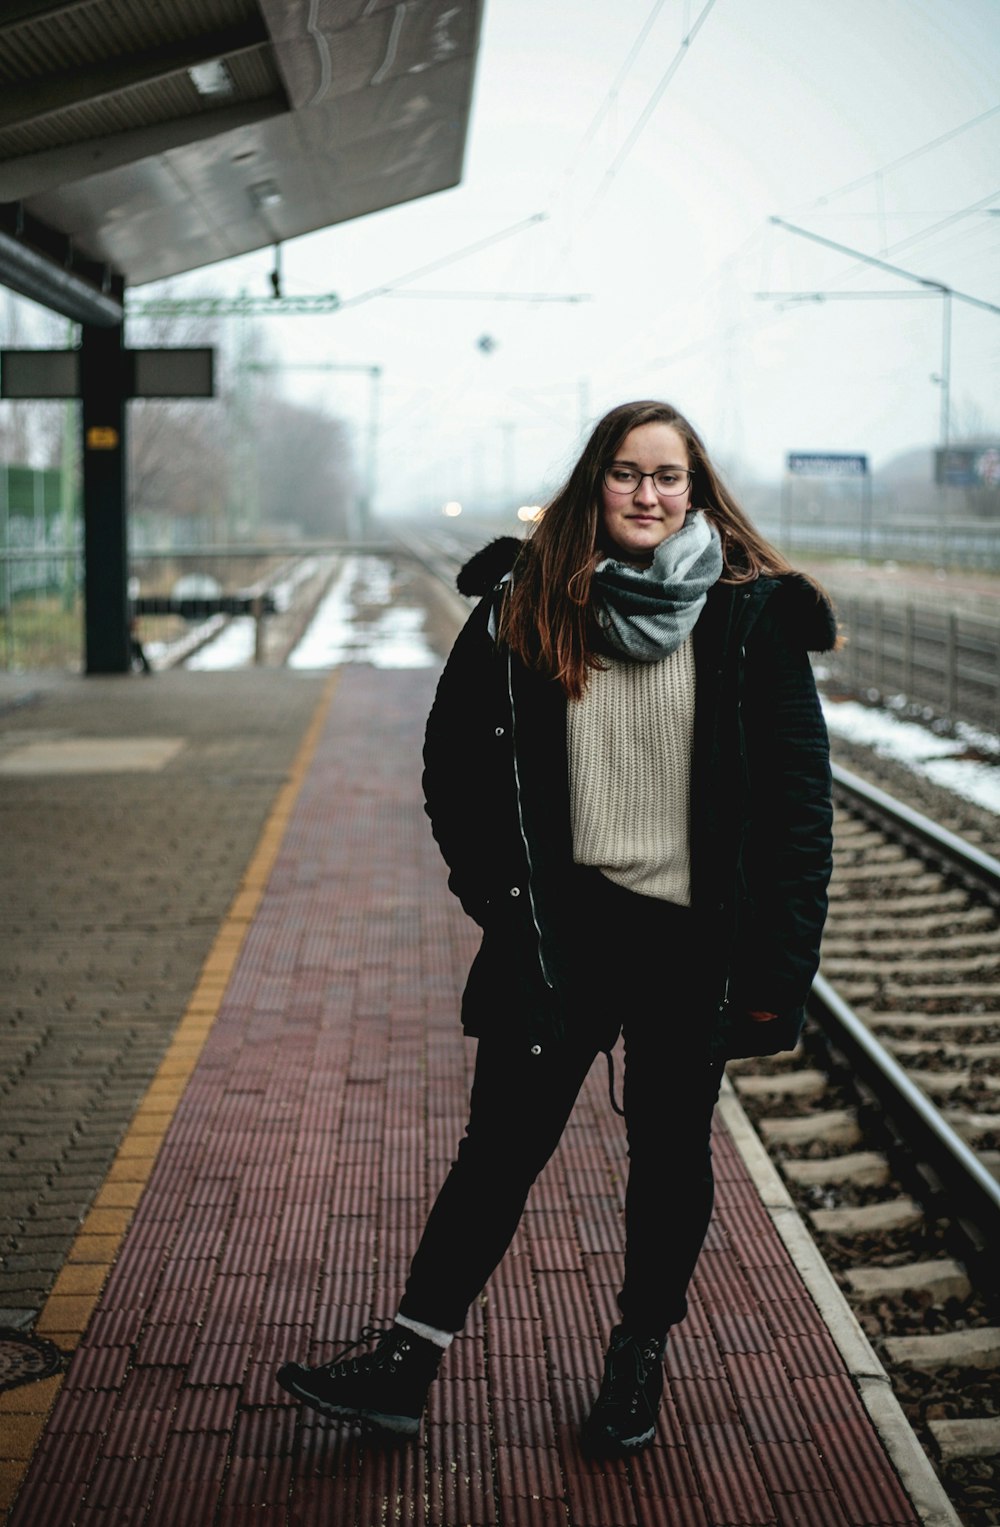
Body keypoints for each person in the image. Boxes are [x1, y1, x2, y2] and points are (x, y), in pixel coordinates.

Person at [277, 399, 836, 1454]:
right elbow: (453, 765)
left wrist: (778, 967)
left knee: (669, 1158)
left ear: (695, 489)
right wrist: (498, 896)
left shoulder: (751, 619)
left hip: (689, 944)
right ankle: (407, 1361)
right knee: (498, 1152)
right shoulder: (526, 605)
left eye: (667, 477)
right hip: (561, 938)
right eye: (627, 474)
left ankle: (636, 1365)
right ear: (596, 482)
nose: (647, 495)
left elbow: (798, 814)